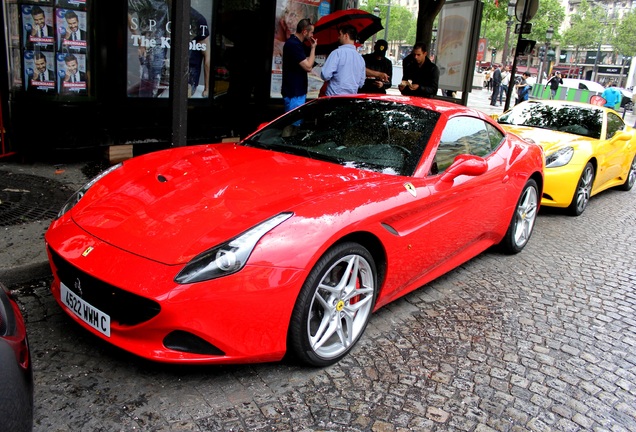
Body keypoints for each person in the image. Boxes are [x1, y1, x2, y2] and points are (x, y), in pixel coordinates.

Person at [281, 18, 317, 111]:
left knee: (293, 121)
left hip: (295, 90)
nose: (312, 35)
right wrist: (313, 48)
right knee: (294, 122)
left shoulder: (296, 43)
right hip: (294, 92)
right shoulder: (294, 44)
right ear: (304, 31)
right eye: (311, 32)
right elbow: (308, 67)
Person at [320, 24, 365, 96]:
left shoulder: (337, 53)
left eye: (340, 34)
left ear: (346, 35)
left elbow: (325, 75)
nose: (338, 37)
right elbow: (361, 83)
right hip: (351, 99)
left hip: (334, 97)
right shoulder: (360, 59)